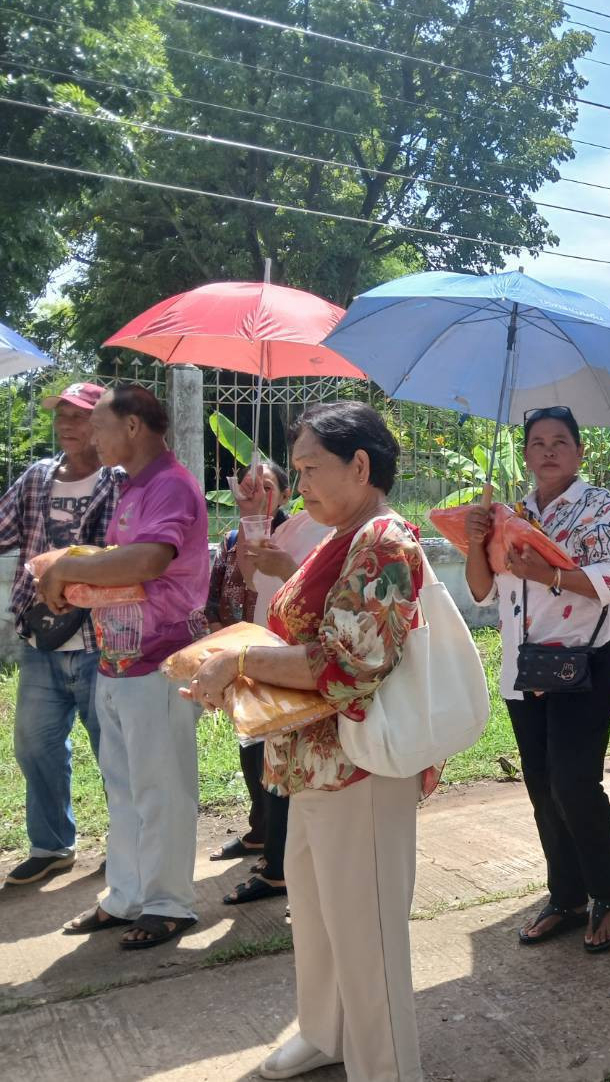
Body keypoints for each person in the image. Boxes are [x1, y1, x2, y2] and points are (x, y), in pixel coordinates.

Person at [182, 402, 428, 1081]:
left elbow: (348, 666)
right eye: (299, 470)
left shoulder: (383, 542)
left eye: (312, 469)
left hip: (362, 764)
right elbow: (301, 640)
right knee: (319, 921)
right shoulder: (334, 536)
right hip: (313, 760)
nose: (303, 483)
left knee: (366, 934)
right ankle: (325, 1033)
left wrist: (239, 664)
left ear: (360, 466)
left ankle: (387, 1067)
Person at [40, 385, 210, 948]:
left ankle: (168, 904)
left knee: (162, 790)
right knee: (124, 789)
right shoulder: (134, 486)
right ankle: (127, 896)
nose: (91, 436)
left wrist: (66, 568)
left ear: (133, 426)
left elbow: (148, 558)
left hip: (159, 663)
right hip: (118, 661)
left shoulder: (170, 486)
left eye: (101, 425)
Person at [465, 406, 610, 953]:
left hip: (583, 662)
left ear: (580, 451)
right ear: (526, 452)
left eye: (560, 441)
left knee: (572, 780)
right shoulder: (508, 514)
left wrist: (550, 574)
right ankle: (565, 896)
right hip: (525, 665)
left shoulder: (600, 509)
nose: (547, 451)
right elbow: (482, 592)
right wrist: (475, 540)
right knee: (541, 786)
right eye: (537, 442)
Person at [0, 382, 118, 886]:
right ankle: (52, 845)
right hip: (42, 641)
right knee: (33, 743)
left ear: (104, 425)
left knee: (113, 748)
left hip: (101, 640)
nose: (67, 425)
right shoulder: (37, 478)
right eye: (61, 416)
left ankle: (128, 844)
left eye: (80, 417)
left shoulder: (120, 483)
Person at [204, 462, 289, 884]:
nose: (260, 494)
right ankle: (259, 832)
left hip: (276, 657)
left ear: (286, 496)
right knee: (248, 746)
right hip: (237, 656)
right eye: (253, 487)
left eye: (269, 488)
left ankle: (277, 849)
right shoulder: (234, 538)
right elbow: (217, 592)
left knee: (273, 752)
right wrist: (222, 644)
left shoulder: (294, 536)